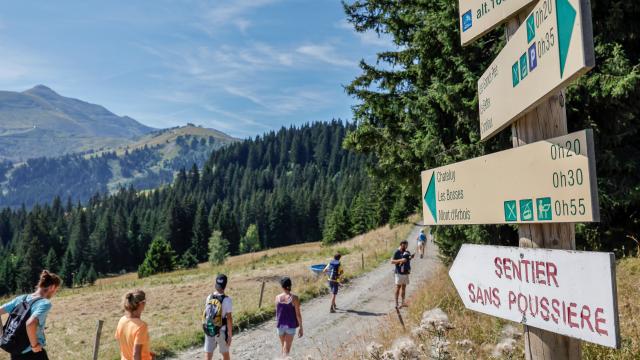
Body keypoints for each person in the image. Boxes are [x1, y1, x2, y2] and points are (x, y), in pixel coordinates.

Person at [0, 270, 62, 360]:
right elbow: (30, 323)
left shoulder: (21, 298)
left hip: (14, 349)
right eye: (56, 290)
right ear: (52, 287)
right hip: (30, 352)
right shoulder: (44, 303)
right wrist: (34, 346)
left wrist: (1, 335)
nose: (54, 293)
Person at [115, 290, 156, 360]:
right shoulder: (141, 326)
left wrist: (147, 353)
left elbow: (124, 345)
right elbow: (135, 354)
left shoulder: (121, 320)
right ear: (141, 304)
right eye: (145, 302)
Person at [202, 274, 233, 360]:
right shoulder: (227, 300)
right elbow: (229, 319)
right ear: (225, 286)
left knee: (208, 354)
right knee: (225, 354)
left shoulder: (209, 297)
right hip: (221, 331)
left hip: (209, 328)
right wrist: (230, 336)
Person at [275, 277, 303, 358]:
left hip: (280, 326)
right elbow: (298, 314)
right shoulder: (295, 298)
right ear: (290, 285)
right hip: (290, 326)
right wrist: (301, 328)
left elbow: (277, 313)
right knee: (286, 350)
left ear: (282, 287)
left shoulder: (277, 297)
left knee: (284, 347)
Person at [390, 241, 414, 309]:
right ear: (401, 245)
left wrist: (411, 257)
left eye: (406, 245)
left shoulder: (407, 252)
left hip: (405, 273)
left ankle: (403, 303)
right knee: (398, 288)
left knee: (404, 288)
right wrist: (401, 260)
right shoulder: (397, 252)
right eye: (404, 245)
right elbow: (392, 261)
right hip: (398, 273)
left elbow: (407, 260)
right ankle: (396, 303)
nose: (405, 247)